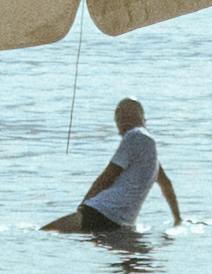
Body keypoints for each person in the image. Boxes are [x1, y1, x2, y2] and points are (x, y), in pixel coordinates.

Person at [49, 97, 180, 237]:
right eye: (119, 117)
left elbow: (108, 176)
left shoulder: (135, 136)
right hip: (122, 223)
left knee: (46, 234)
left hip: (100, 212)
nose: (122, 121)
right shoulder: (149, 151)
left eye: (125, 115)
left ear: (141, 117)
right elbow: (166, 185)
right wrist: (177, 219)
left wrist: (82, 206)